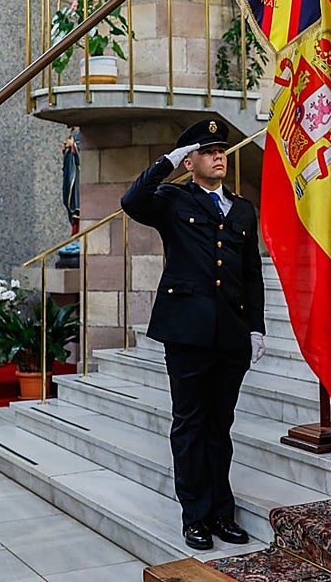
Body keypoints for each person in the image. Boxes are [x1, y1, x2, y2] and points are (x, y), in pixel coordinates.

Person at [121, 118, 265, 551]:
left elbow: (251, 274)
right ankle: (195, 516)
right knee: (190, 425)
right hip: (186, 333)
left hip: (231, 335)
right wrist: (165, 163)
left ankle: (223, 512)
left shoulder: (241, 209)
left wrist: (256, 327)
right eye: (208, 150)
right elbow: (132, 201)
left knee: (220, 426)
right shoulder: (171, 199)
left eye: (221, 149)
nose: (219, 155)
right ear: (191, 160)